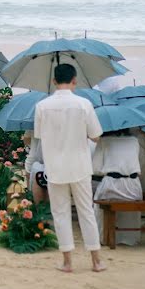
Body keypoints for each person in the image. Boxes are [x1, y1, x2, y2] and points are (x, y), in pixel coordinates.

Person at [35, 63, 106, 273]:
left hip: (55, 167)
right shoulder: (84, 104)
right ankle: (96, 261)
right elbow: (96, 135)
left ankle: (67, 262)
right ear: (74, 81)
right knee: (87, 213)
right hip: (79, 166)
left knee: (60, 214)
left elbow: (39, 136)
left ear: (54, 81)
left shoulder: (42, 106)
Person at [92, 130, 142, 246]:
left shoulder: (104, 141)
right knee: (130, 207)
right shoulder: (135, 141)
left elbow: (96, 169)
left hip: (112, 185)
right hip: (133, 186)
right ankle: (129, 238)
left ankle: (104, 237)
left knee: (98, 205)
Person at [22, 130, 46, 202]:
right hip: (51, 160)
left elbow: (26, 141)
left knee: (31, 192)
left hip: (33, 159)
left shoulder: (32, 121)